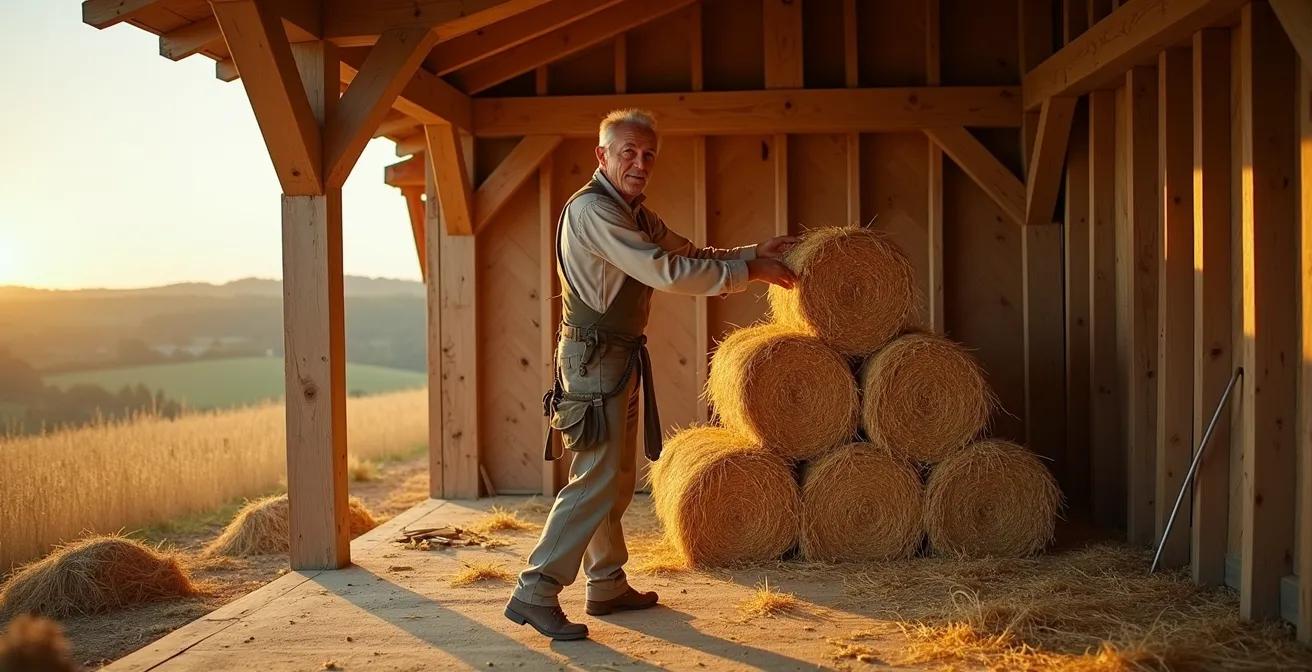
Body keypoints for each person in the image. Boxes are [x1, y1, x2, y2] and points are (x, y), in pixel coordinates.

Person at [504, 108, 798, 640]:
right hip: (594, 360)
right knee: (593, 480)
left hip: (615, 358)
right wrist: (750, 273)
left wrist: (754, 254)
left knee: (613, 479)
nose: (639, 163)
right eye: (627, 153)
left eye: (647, 155)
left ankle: (606, 584)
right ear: (602, 156)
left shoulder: (636, 214)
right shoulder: (596, 212)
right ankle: (535, 589)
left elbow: (688, 254)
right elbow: (664, 272)